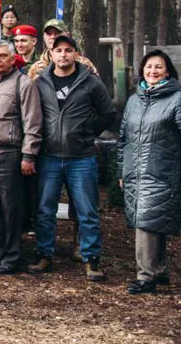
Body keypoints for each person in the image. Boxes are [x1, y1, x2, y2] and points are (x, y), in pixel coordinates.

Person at [27, 35, 115, 281]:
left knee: (87, 210)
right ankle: (44, 253)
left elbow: (108, 113)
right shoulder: (41, 81)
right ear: (51, 54)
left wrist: (88, 132)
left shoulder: (90, 82)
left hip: (81, 157)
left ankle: (92, 258)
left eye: (68, 50)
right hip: (50, 156)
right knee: (45, 209)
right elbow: (33, 115)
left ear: (76, 54)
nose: (63, 55)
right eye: (59, 50)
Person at [118, 50, 181, 295]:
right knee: (150, 221)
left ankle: (145, 277)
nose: (152, 71)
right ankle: (159, 270)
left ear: (167, 71)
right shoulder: (134, 100)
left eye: (158, 67)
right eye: (148, 67)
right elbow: (123, 139)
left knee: (147, 222)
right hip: (135, 172)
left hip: (163, 172)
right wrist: (123, 170)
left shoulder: (178, 100)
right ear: (142, 70)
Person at [0, 40, 42, 275]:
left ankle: (12, 256)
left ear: (13, 59)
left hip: (9, 154)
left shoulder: (22, 84)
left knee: (11, 208)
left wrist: (28, 155)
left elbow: (33, 122)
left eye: (3, 56)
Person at [28, 19, 98, 80]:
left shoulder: (83, 64)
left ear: (67, 35)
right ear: (44, 38)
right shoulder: (36, 68)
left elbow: (97, 89)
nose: (53, 37)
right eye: (49, 33)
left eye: (57, 33)